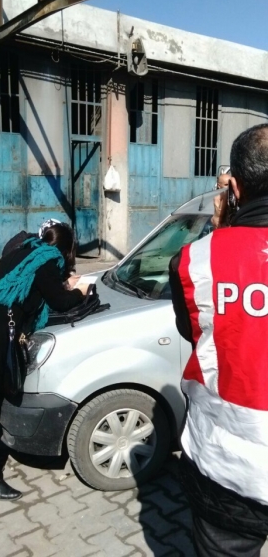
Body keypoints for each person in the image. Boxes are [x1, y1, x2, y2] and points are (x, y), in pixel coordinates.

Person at [169, 123, 268, 556]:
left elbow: (192, 332)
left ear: (235, 186)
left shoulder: (194, 259)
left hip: (227, 469)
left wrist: (222, 231)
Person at [0, 221, 89, 501]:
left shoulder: (25, 250)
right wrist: (79, 291)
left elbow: (35, 285)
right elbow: (60, 301)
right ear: (67, 249)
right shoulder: (48, 261)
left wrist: (61, 283)